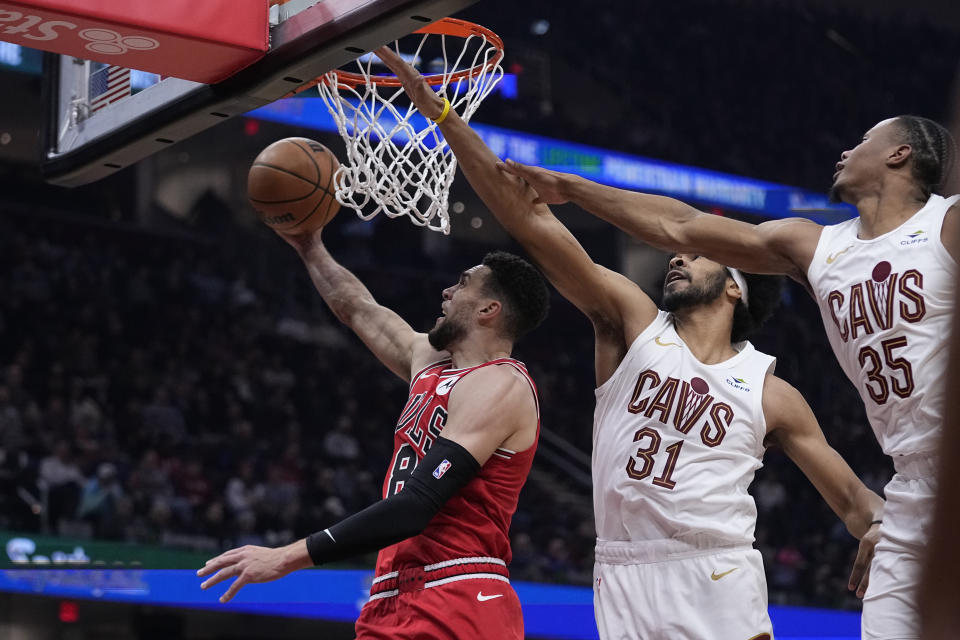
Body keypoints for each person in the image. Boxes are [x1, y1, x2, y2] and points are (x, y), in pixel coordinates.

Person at [377, 47, 885, 639]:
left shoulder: (772, 394)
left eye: (697, 257)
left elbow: (855, 502)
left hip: (715, 572)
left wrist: (880, 524)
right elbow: (533, 223)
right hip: (619, 572)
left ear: (735, 290)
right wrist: (441, 114)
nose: (677, 256)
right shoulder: (631, 324)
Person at [500, 116, 958, 639]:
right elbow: (681, 224)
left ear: (898, 155)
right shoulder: (817, 247)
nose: (846, 149)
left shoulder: (947, 224)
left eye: (863, 141)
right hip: (912, 487)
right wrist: (573, 187)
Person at [198, 230, 550, 640]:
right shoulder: (431, 364)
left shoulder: (501, 384)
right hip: (391, 593)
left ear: (489, 309)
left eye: (462, 284)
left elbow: (416, 505)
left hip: (459, 588)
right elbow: (358, 307)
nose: (447, 291)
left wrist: (286, 557)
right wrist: (309, 245)